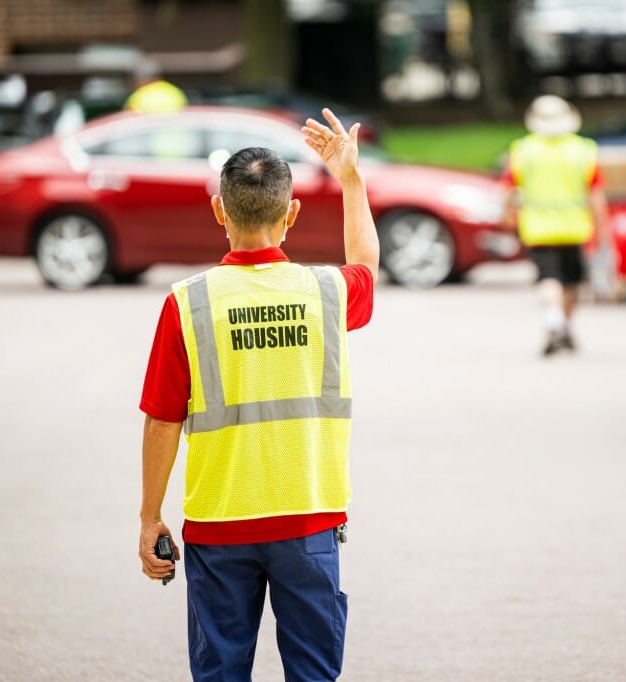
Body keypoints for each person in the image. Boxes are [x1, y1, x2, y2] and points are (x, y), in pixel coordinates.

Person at [137, 108, 378, 681]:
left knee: (220, 672)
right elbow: (366, 262)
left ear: (219, 210)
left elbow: (162, 420)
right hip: (309, 517)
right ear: (291, 213)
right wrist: (350, 178)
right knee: (314, 673)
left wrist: (150, 517)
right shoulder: (327, 291)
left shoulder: (187, 302)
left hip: (220, 524)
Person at [503, 95, 610, 356]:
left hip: (538, 228)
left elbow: (511, 192)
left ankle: (553, 321)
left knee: (548, 278)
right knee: (572, 283)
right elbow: (595, 194)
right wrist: (603, 228)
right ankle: (565, 325)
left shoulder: (523, 150)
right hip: (575, 228)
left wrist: (508, 218)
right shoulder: (583, 150)